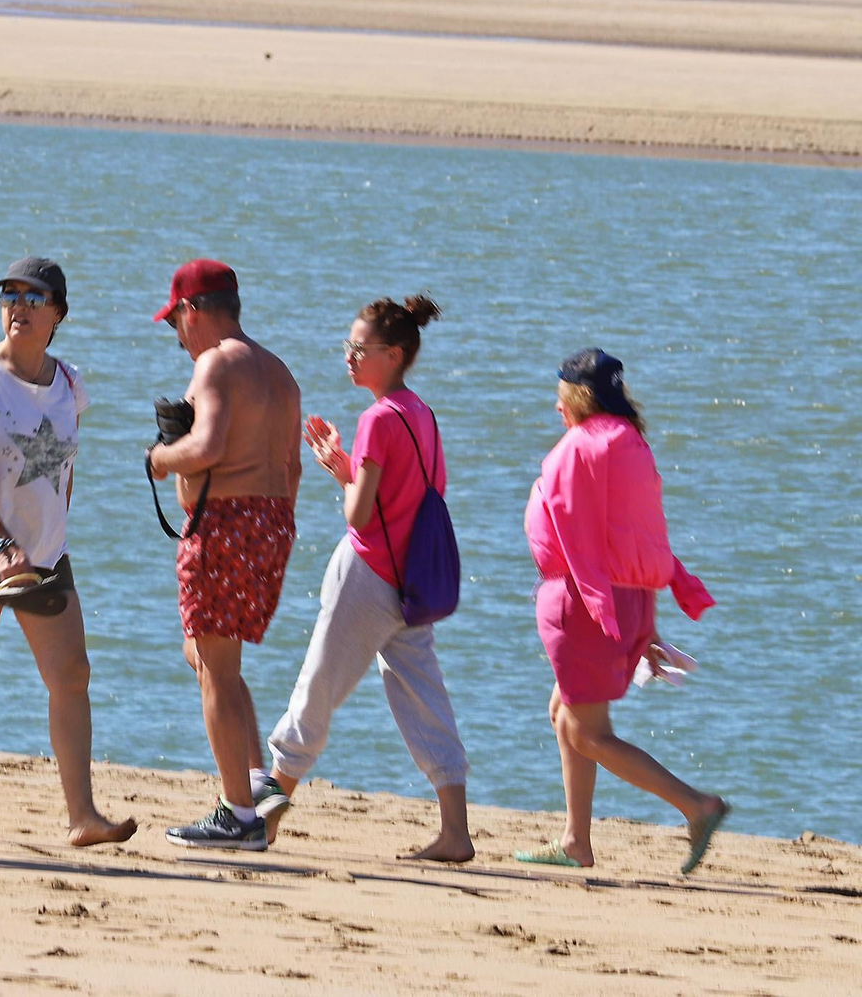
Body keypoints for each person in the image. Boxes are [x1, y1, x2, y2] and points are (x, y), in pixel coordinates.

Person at [0, 257, 136, 848]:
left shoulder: (69, 384)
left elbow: (63, 466)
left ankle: (83, 817)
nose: (19, 306)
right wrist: (0, 541)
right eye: (10, 296)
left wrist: (48, 535)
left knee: (72, 674)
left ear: (58, 313)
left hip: (43, 554)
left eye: (34, 298)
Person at [263, 295, 476, 862]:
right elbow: (411, 496)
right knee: (424, 695)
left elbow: (359, 514)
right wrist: (349, 467)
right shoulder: (421, 414)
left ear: (395, 354)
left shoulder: (378, 418)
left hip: (370, 573)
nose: (350, 357)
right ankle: (455, 830)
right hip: (411, 583)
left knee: (317, 686)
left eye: (361, 349)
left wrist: (341, 470)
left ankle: (263, 819)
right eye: (348, 347)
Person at [515, 348, 728, 874]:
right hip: (627, 598)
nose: (556, 405)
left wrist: (597, 607)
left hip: (590, 603)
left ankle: (695, 806)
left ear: (578, 396)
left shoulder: (580, 449)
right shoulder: (631, 444)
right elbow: (645, 536)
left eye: (560, 394)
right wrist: (645, 619)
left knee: (586, 731)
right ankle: (575, 841)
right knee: (564, 714)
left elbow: (577, 533)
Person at [148, 259, 302, 851]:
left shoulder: (214, 364)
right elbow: (289, 468)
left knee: (214, 665)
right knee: (209, 653)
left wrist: (160, 459)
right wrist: (271, 524)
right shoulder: (280, 372)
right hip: (271, 523)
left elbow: (207, 445)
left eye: (175, 324)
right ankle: (256, 780)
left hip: (226, 524)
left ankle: (238, 813)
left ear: (193, 311)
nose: (179, 337)